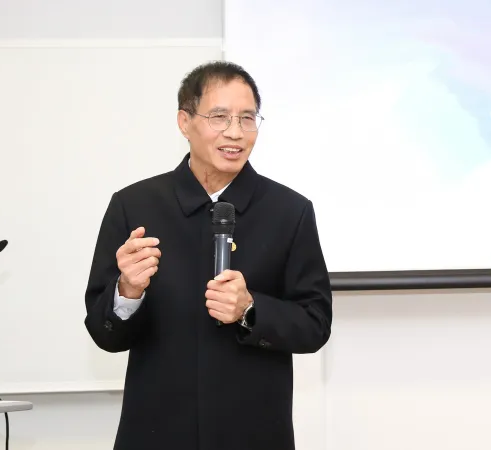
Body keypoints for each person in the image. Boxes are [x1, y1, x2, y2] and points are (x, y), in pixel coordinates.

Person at [84, 61, 333, 450]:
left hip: (253, 432)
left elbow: (315, 324)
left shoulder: (290, 211)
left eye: (247, 118)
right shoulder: (134, 207)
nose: (235, 132)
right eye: (219, 117)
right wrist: (128, 291)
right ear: (184, 122)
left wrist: (251, 309)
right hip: (157, 432)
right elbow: (105, 335)